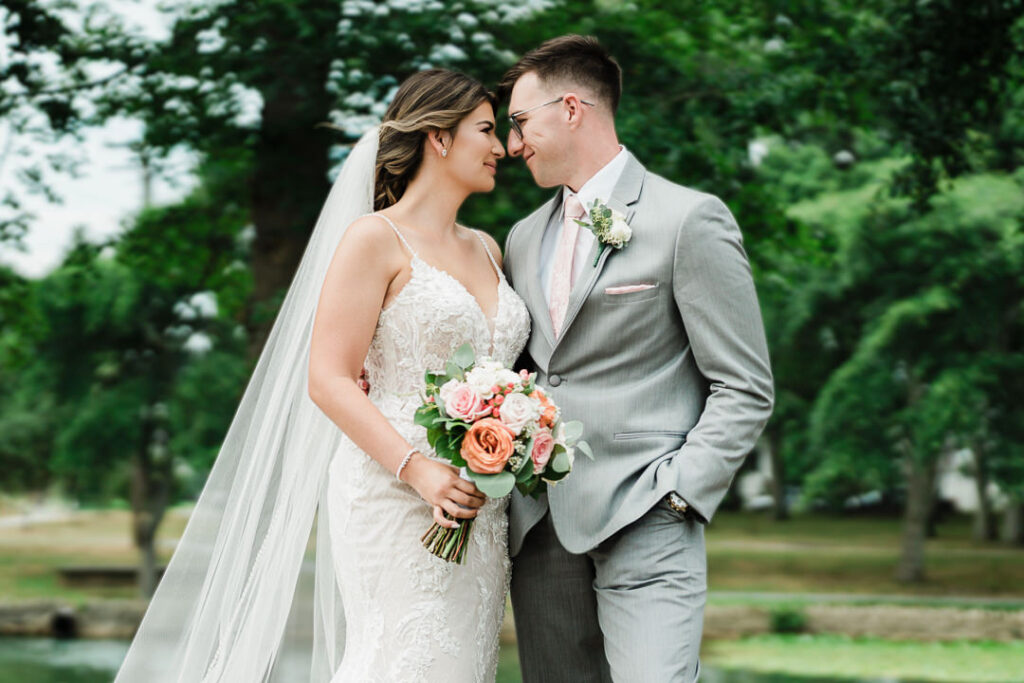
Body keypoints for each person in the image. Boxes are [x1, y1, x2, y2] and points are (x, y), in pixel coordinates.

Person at [113, 69, 529, 683]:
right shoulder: (373, 240)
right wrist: (419, 471)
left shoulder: (489, 249)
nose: (502, 148)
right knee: (403, 658)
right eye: (487, 130)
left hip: (478, 503)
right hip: (394, 490)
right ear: (439, 137)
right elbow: (328, 378)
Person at [500, 36, 775, 682]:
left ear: (571, 108)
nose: (513, 145)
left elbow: (745, 385)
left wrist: (680, 494)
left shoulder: (690, 219)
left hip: (648, 515)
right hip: (540, 531)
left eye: (519, 122)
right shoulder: (519, 238)